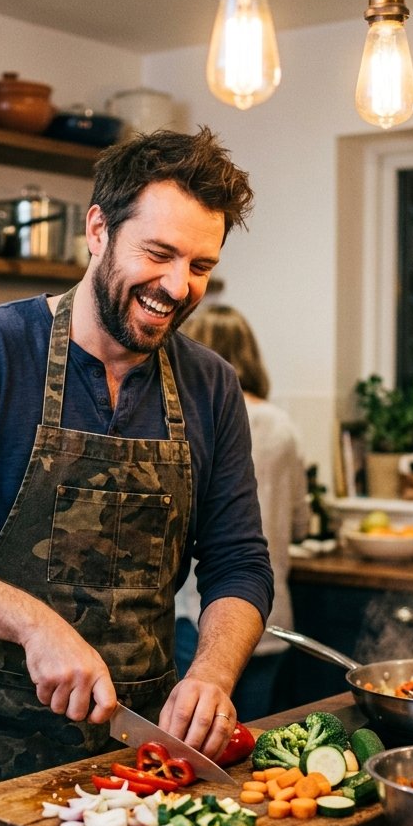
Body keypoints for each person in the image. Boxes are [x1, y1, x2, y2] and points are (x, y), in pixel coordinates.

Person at [0, 128, 274, 814]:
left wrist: (212, 676)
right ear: (97, 230)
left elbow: (239, 563)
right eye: (159, 253)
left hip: (145, 758)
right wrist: (35, 625)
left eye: (200, 265)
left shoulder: (211, 386)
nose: (178, 287)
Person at [174, 304, 310, 720]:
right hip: (272, 618)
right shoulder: (282, 425)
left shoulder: (192, 417)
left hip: (199, 619)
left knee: (194, 732)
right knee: (250, 741)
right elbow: (301, 522)